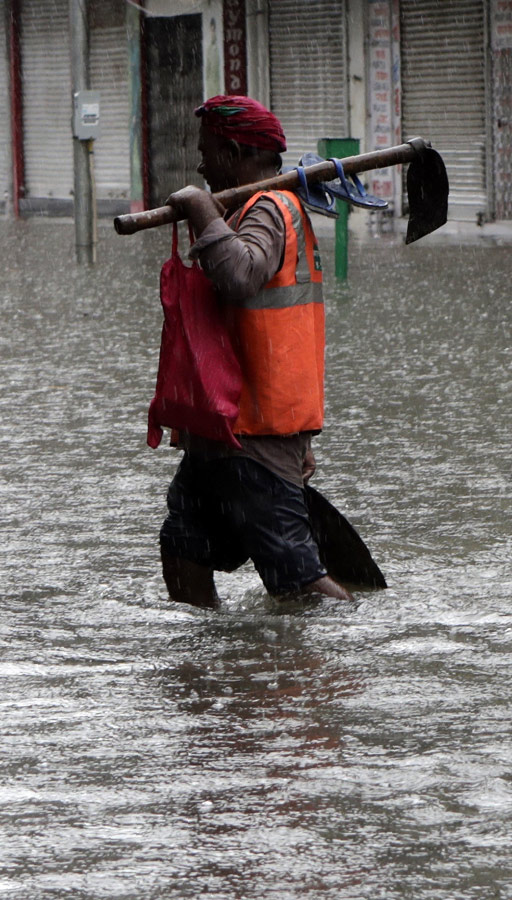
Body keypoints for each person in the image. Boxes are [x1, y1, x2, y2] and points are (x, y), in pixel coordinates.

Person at [158, 95, 353, 610]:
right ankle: (216, 662)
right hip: (220, 433)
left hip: (256, 438)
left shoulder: (271, 207)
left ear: (237, 150)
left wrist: (201, 209)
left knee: (295, 576)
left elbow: (241, 276)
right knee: (183, 550)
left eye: (208, 152)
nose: (200, 164)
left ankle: (357, 641)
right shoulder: (248, 208)